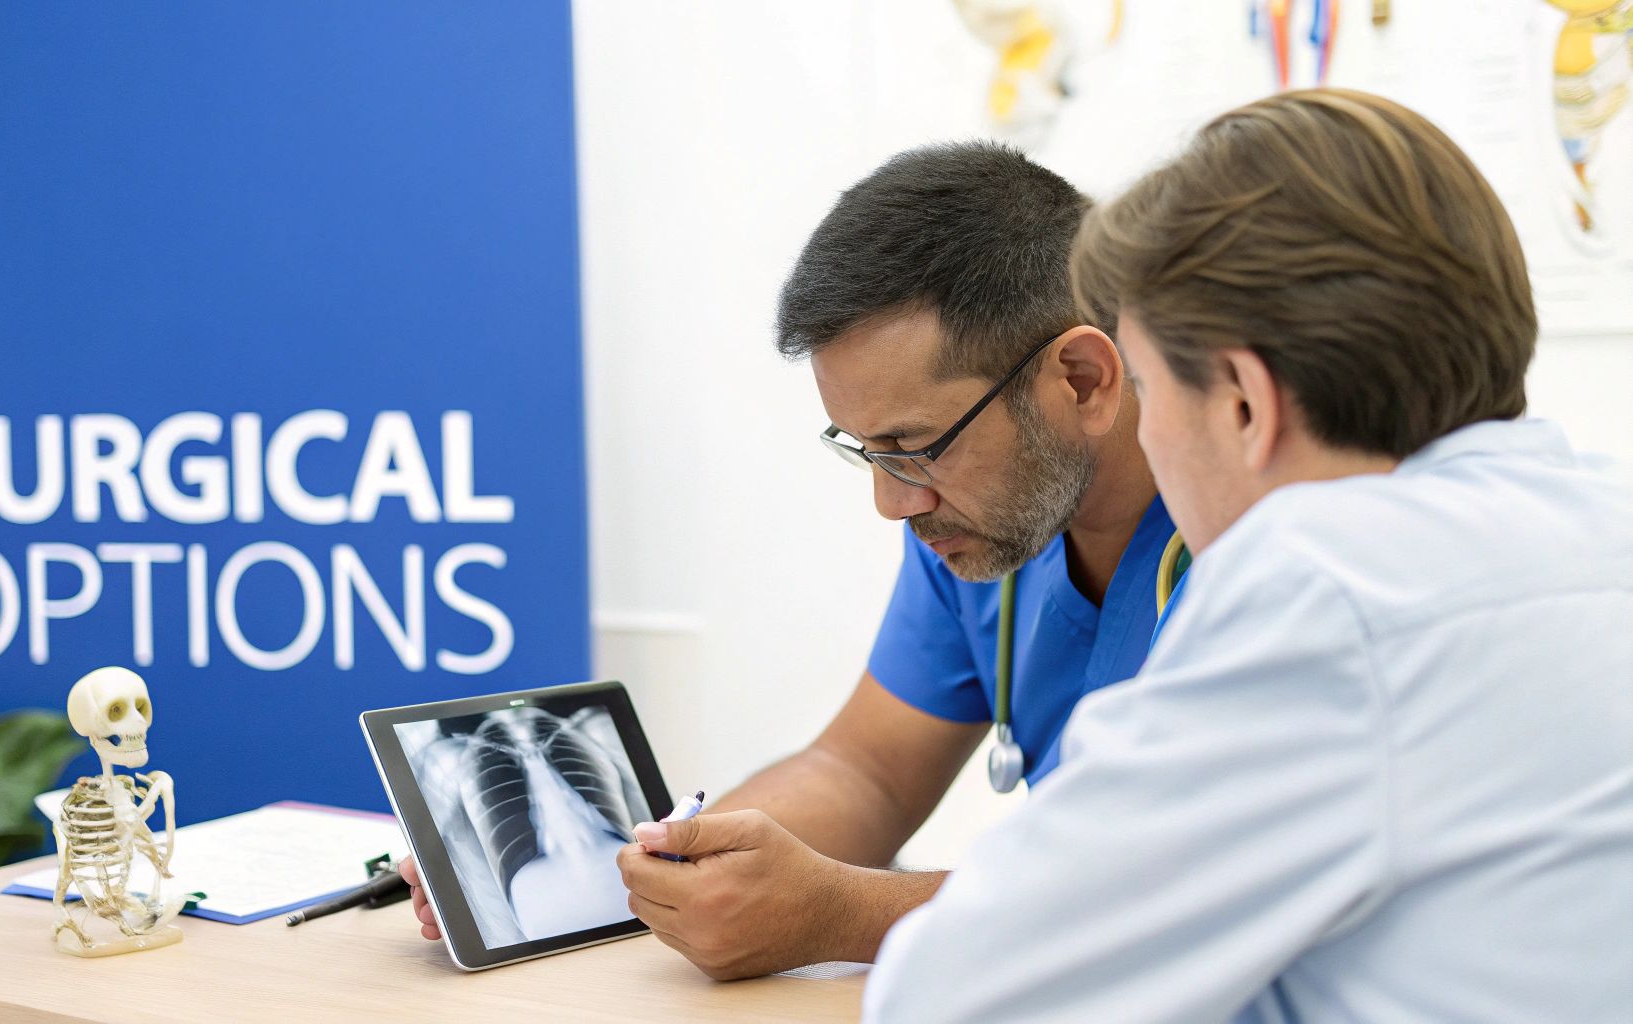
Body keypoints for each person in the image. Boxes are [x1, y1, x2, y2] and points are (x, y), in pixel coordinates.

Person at [864, 88, 1633, 1021]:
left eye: (1149, 389)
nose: (1147, 437)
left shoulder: (1325, 586)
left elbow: (953, 994)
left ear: (1241, 402)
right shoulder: (1599, 516)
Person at [402, 142, 1181, 977]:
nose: (893, 504)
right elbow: (864, 773)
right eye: (866, 450)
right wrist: (656, 869)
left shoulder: (1245, 554)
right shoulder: (982, 526)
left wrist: (843, 914)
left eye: (915, 446)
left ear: (1082, 380)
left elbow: (1182, 891)